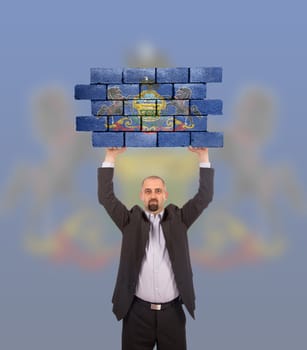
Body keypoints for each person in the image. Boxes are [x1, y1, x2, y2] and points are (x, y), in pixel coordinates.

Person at [98, 146, 214, 350]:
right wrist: (110, 157)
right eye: (148, 191)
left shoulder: (180, 219)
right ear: (141, 196)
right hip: (136, 314)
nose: (153, 195)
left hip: (173, 315)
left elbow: (204, 197)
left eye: (158, 191)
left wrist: (203, 156)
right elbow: (106, 198)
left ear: (165, 195)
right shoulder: (129, 221)